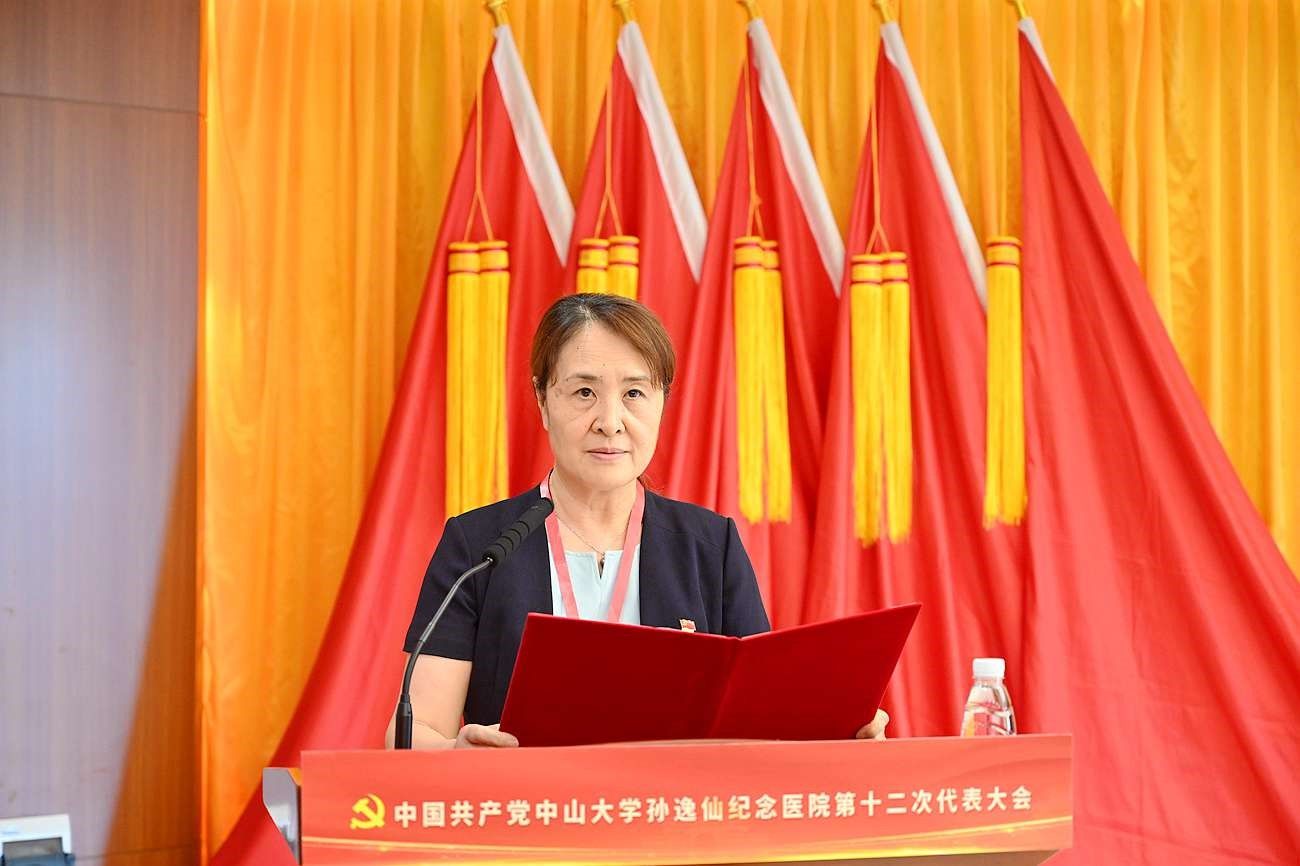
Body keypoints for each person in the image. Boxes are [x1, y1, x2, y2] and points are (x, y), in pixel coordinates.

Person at [386, 294, 889, 749]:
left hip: (673, 816)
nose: (610, 422)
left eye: (634, 394)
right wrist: (458, 755)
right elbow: (413, 730)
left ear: (662, 402)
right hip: (529, 813)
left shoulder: (710, 546)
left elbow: (763, 722)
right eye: (584, 392)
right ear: (542, 400)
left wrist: (838, 730)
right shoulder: (480, 546)